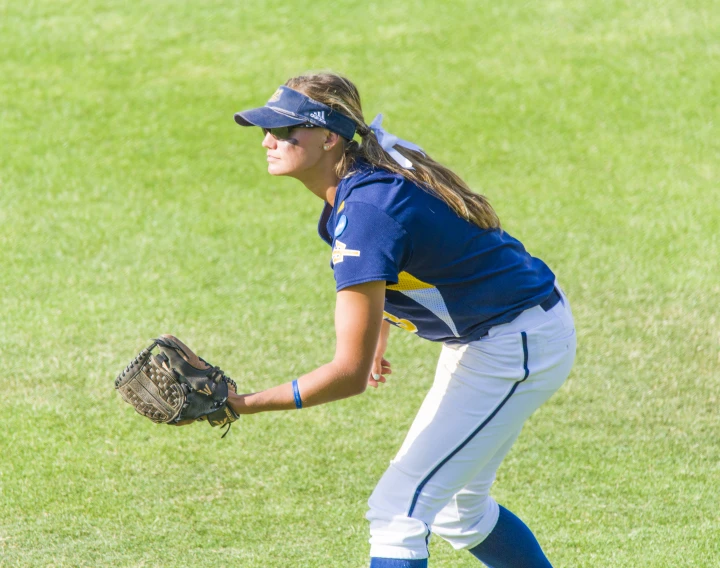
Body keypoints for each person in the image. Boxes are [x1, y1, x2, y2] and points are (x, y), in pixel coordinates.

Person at [229, 73, 577, 568]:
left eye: (287, 132)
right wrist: (380, 338)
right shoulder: (364, 177)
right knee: (460, 512)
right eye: (266, 129)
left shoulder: (365, 213)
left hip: (512, 343)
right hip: (509, 325)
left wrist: (241, 404)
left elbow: (347, 376)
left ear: (329, 138)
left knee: (397, 514)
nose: (269, 141)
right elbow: (420, 252)